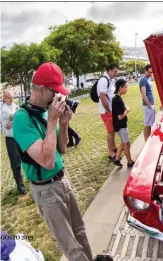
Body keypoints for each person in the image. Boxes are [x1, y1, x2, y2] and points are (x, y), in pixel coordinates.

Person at [12, 62, 112, 260]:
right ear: (40, 89)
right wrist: (51, 121)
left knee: (80, 231)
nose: (59, 97)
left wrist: (63, 124)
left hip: (61, 181)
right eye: (55, 92)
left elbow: (62, 148)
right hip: (46, 190)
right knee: (71, 245)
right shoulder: (22, 119)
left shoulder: (45, 111)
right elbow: (47, 161)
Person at [1, 90, 26, 197]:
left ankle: (30, 178)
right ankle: (20, 186)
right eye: (9, 98)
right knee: (15, 164)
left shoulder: (13, 104)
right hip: (10, 139)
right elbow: (17, 114)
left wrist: (12, 120)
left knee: (25, 157)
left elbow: (17, 113)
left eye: (12, 97)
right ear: (4, 98)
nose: (11, 99)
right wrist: (12, 119)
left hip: (18, 136)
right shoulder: (4, 110)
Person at [98, 63, 119, 161]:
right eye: (114, 71)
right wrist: (109, 110)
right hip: (107, 111)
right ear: (109, 70)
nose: (116, 73)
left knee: (112, 131)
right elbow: (103, 97)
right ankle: (111, 153)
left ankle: (114, 148)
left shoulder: (110, 80)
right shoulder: (103, 80)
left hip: (110, 110)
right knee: (110, 132)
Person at [112, 79, 135, 168]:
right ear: (120, 88)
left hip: (118, 126)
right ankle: (129, 162)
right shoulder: (117, 100)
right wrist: (127, 110)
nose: (127, 89)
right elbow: (120, 117)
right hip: (121, 126)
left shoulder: (116, 98)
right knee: (127, 144)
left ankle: (117, 159)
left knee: (123, 142)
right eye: (125, 87)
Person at [139, 64, 155, 142]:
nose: (150, 74)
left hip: (151, 104)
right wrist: (149, 105)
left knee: (150, 124)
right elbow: (143, 94)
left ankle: (149, 140)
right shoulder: (143, 80)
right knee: (147, 125)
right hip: (148, 106)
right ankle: (146, 141)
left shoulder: (148, 79)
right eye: (149, 72)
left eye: (151, 72)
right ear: (145, 70)